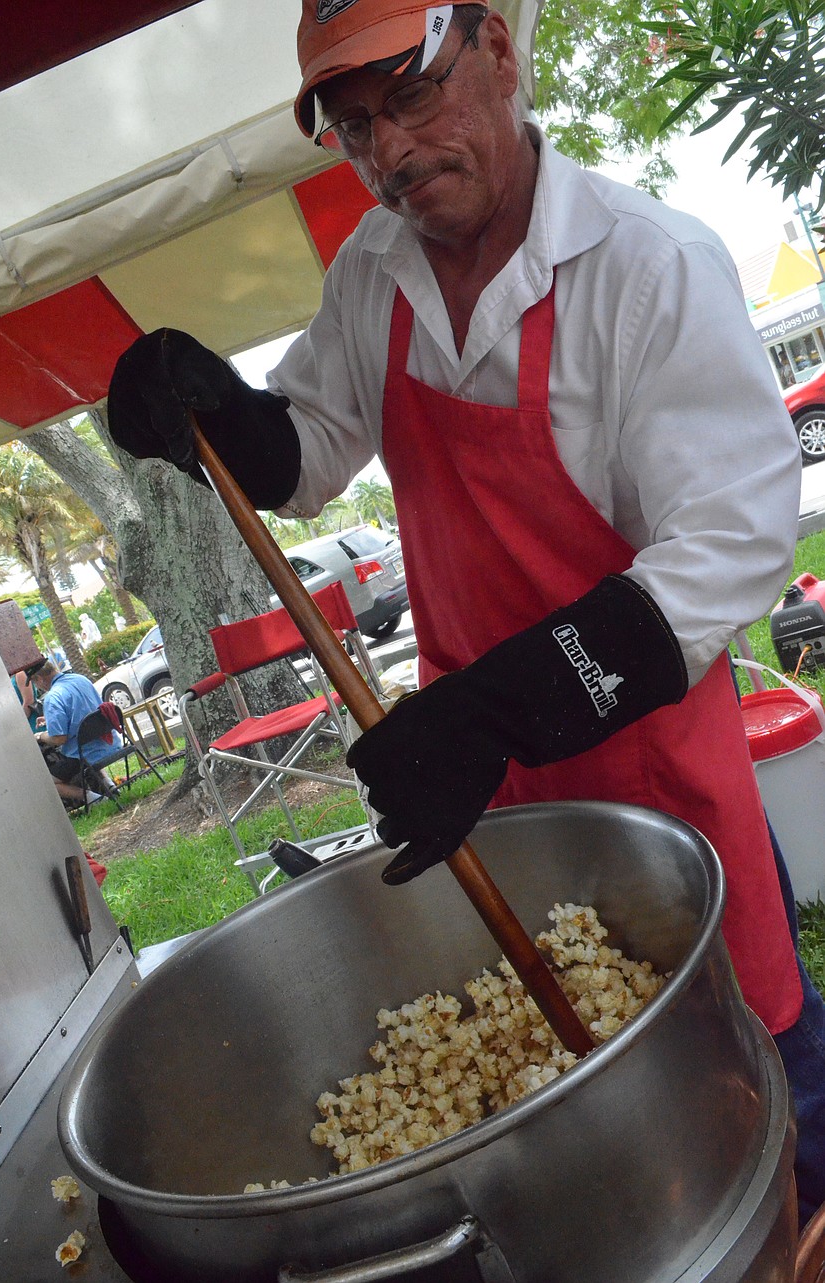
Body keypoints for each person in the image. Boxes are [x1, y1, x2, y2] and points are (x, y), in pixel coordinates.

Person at [106, 0, 825, 1223]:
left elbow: (729, 541)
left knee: (755, 1096)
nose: (386, 151)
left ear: (495, 50)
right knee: (567, 1123)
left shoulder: (643, 264)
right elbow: (310, 450)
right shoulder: (372, 276)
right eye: (355, 126)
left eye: (412, 96)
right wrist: (210, 406)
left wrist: (495, 706)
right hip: (485, 788)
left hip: (650, 771)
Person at [30, 658, 119, 807]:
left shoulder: (53, 697)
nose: (37, 686)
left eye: (34, 682)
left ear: (39, 679)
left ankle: (94, 798)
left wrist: (40, 736)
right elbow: (86, 713)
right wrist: (50, 719)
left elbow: (59, 739)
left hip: (84, 756)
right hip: (110, 743)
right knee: (89, 739)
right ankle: (109, 785)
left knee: (49, 782)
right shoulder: (80, 679)